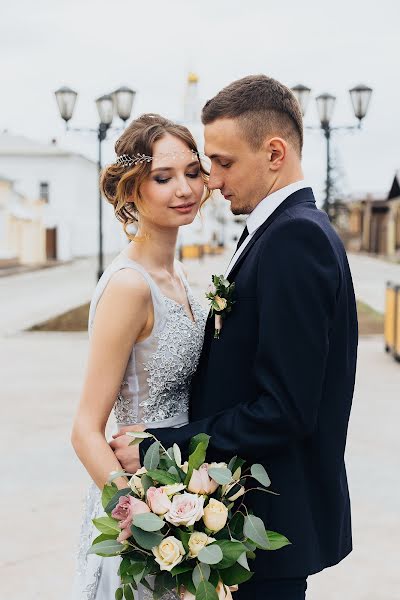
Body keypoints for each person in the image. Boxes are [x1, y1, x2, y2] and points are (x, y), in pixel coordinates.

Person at [113, 75, 358, 600]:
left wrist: (163, 445)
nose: (212, 181)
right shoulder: (278, 231)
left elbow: (286, 409)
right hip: (237, 524)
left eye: (222, 163)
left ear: (273, 153)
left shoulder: (296, 239)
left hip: (265, 525)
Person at [70, 113, 209, 600]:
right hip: (143, 516)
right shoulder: (130, 286)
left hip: (190, 499)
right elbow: (86, 430)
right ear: (132, 190)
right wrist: (146, 518)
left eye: (193, 172)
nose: (185, 188)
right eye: (163, 178)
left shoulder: (184, 280)